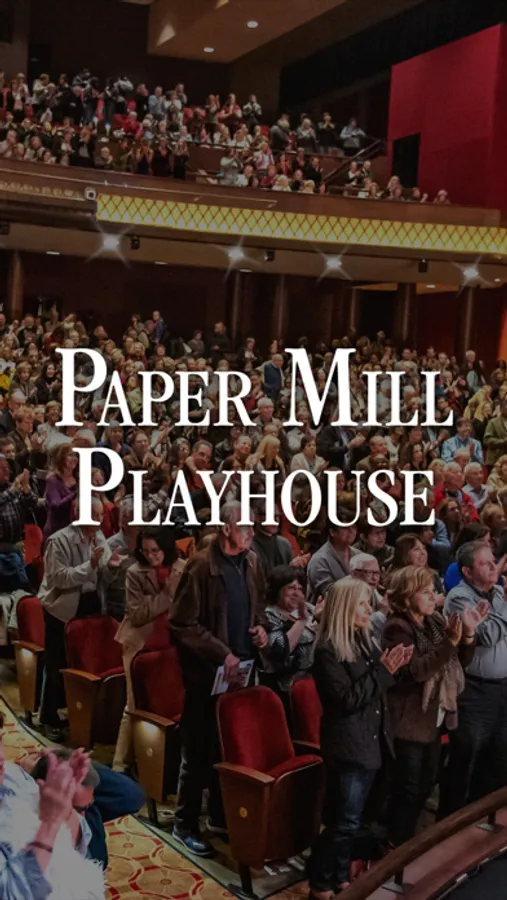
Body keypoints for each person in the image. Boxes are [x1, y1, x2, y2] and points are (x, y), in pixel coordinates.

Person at [170, 502, 268, 856]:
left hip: (242, 667)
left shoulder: (252, 560)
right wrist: (220, 652)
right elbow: (181, 623)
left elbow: (259, 605)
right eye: (245, 527)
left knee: (228, 746)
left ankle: (217, 815)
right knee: (198, 750)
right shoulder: (200, 565)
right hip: (207, 673)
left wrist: (261, 629)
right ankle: (185, 823)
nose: (252, 533)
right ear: (226, 528)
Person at [307, 577, 412, 897]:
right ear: (345, 608)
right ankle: (320, 883)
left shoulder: (363, 641)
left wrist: (392, 669)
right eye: (363, 603)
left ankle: (340, 877)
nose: (370, 608)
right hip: (349, 746)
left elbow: (376, 689)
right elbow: (347, 700)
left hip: (371, 741)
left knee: (354, 822)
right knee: (343, 822)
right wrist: (384, 671)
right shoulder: (327, 651)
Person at [383, 566, 482, 846]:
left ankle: (407, 844)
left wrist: (468, 635)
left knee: (426, 786)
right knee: (408, 789)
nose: (432, 596)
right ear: (407, 596)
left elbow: (457, 662)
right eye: (424, 592)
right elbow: (417, 671)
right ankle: (394, 847)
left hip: (434, 719)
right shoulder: (397, 627)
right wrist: (450, 643)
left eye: (432, 591)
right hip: (410, 722)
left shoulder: (434, 621)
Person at [38, 498, 123, 740]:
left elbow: (103, 574)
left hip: (91, 603)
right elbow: (60, 578)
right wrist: (90, 565)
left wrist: (111, 567)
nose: (100, 520)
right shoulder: (59, 540)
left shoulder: (99, 537)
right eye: (94, 515)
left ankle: (78, 713)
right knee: (57, 664)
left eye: (101, 515)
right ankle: (49, 717)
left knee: (82, 662)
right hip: (61, 609)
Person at [440, 541, 507, 817]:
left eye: (493, 560)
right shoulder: (459, 597)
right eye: (484, 563)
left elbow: (495, 627)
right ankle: (448, 827)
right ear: (467, 572)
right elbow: (487, 635)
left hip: (501, 691)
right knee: (464, 764)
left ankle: (482, 824)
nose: (493, 566)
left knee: (496, 762)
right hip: (473, 692)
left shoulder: (499, 593)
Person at [113, 525, 186, 771]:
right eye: (145, 551)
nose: (150, 556)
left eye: (155, 550)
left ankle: (156, 762)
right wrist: (167, 595)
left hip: (172, 642)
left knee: (168, 704)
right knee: (134, 703)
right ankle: (120, 764)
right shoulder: (134, 572)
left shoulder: (182, 568)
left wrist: (159, 600)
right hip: (140, 643)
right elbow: (137, 614)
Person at [0, 727, 102, 900]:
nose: (1, 755)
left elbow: (76, 844)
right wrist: (51, 822)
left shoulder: (12, 776)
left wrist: (67, 789)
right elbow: (15, 895)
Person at [259, 566, 316, 713]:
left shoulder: (309, 609)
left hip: (312, 687)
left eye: (300, 589)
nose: (297, 593)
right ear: (277, 589)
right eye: (291, 588)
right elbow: (280, 650)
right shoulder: (267, 617)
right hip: (283, 691)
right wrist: (302, 621)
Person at [307, 519, 359, 602]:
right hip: (330, 607)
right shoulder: (320, 560)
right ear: (332, 532)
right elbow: (329, 593)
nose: (351, 531)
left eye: (353, 527)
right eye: (345, 528)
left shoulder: (359, 555)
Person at [43, 443, 78, 546]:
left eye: (75, 455)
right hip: (56, 532)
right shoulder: (53, 480)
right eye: (70, 455)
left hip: (75, 532)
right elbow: (55, 505)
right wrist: (74, 495)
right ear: (61, 458)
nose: (75, 458)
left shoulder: (78, 478)